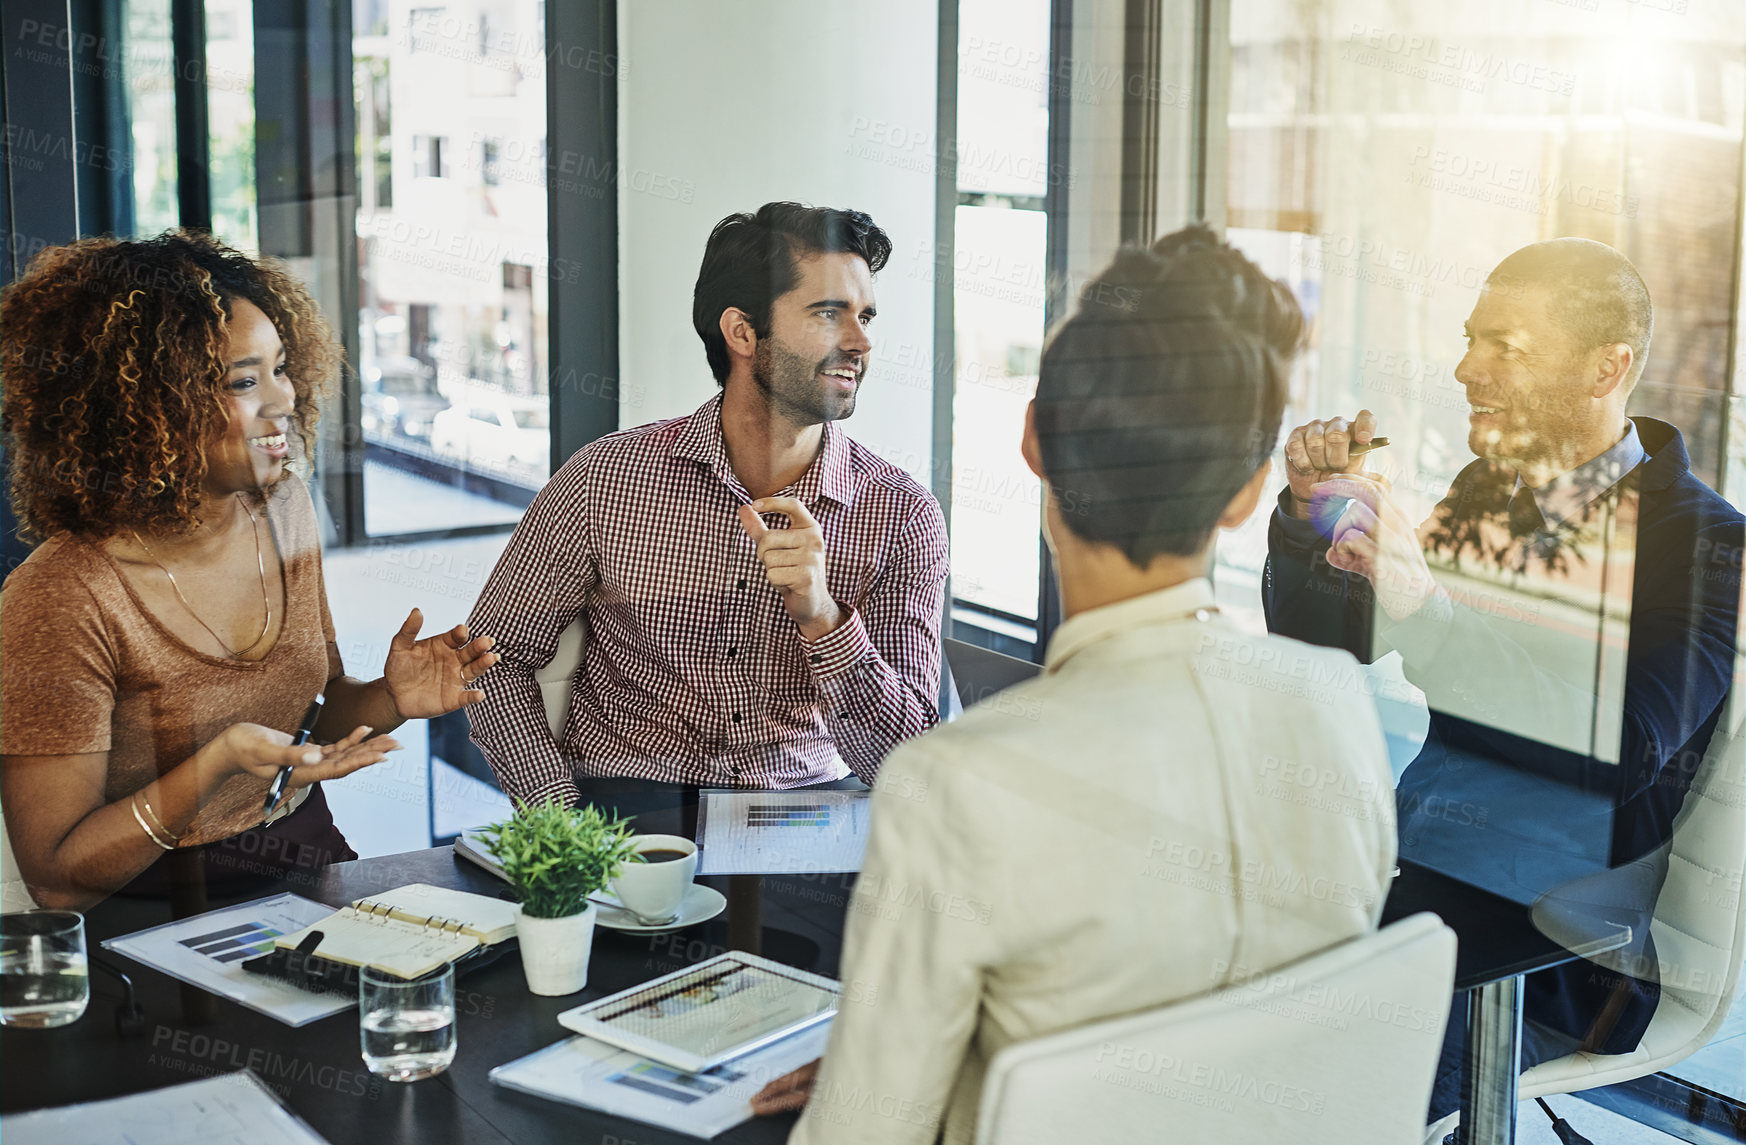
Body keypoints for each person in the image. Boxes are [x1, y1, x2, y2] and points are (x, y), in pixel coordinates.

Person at [751, 226, 1401, 1143]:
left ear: (1032, 441)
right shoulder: (1337, 707)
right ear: (1248, 494)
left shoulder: (956, 782)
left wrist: (879, 1072)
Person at [1261, 238, 1744, 1120]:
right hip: (1415, 877)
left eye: (1503, 347)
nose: (1464, 368)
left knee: (1312, 1101)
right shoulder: (1490, 489)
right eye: (1470, 337)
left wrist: (1430, 610)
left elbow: (1624, 747)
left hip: (1556, 944)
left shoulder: (1702, 540)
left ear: (1609, 367)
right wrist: (1305, 519)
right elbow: (1324, 650)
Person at [0, 232, 499, 909]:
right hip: (156, 913)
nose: (283, 400)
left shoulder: (283, 508)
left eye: (281, 368)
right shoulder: (59, 596)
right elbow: (58, 881)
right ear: (144, 408)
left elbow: (313, 718)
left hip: (309, 863)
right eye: (243, 380)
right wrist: (214, 764)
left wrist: (389, 697)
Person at [467, 202, 948, 803]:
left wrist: (821, 618)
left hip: (803, 812)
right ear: (742, 332)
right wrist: (559, 821)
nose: (860, 341)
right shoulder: (606, 477)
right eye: (829, 313)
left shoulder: (903, 514)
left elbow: (909, 765)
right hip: (627, 804)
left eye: (865, 316)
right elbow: (493, 660)